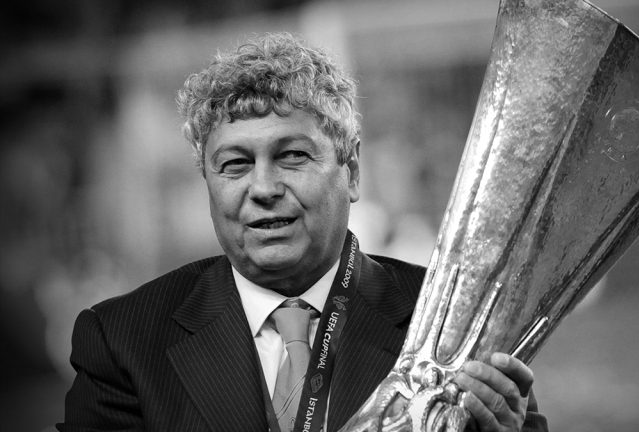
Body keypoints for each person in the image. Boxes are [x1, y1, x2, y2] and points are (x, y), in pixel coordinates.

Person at [58, 33, 548, 432]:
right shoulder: (122, 340)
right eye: (235, 164)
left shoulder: (455, 328)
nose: (263, 188)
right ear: (207, 182)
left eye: (292, 156)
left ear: (351, 171)